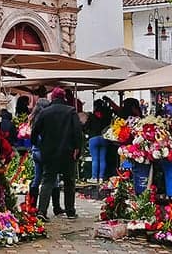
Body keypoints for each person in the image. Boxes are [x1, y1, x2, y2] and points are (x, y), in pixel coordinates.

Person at [31, 87, 82, 221]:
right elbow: (78, 131)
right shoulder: (71, 111)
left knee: (47, 180)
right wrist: (78, 148)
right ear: (64, 97)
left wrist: (37, 144)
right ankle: (70, 211)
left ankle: (42, 211)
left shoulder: (45, 112)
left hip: (49, 152)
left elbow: (35, 130)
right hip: (68, 151)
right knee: (69, 182)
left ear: (52, 98)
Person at [27, 99, 62, 215]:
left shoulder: (33, 118)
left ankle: (32, 205)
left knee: (37, 178)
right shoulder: (45, 118)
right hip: (45, 151)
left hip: (35, 151)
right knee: (53, 178)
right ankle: (56, 207)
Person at [84, 99, 112, 183]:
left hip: (93, 138)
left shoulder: (91, 116)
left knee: (95, 159)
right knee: (102, 158)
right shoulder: (106, 116)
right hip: (104, 138)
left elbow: (85, 127)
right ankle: (101, 177)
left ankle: (94, 177)